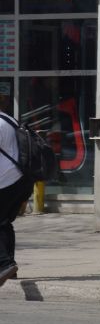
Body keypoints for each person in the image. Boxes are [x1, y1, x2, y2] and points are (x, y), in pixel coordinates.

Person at [0, 96, 34, 285]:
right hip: (21, 180)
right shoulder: (8, 119)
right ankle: (9, 269)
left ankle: (4, 264)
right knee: (4, 223)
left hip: (6, 182)